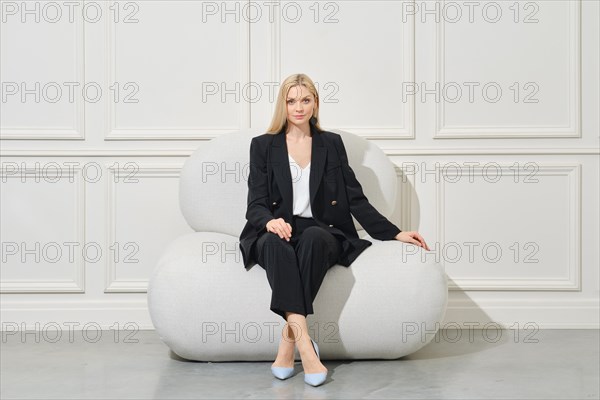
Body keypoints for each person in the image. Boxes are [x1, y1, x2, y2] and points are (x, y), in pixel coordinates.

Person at [238, 73, 430, 386]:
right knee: (274, 246)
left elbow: (354, 197)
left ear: (315, 103)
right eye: (291, 101)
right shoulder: (263, 146)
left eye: (305, 100)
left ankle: (288, 345)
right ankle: (307, 350)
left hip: (320, 228)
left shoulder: (330, 144)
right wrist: (269, 221)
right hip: (276, 228)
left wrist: (394, 232)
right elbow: (255, 203)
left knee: (315, 239)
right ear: (282, 105)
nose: (298, 107)